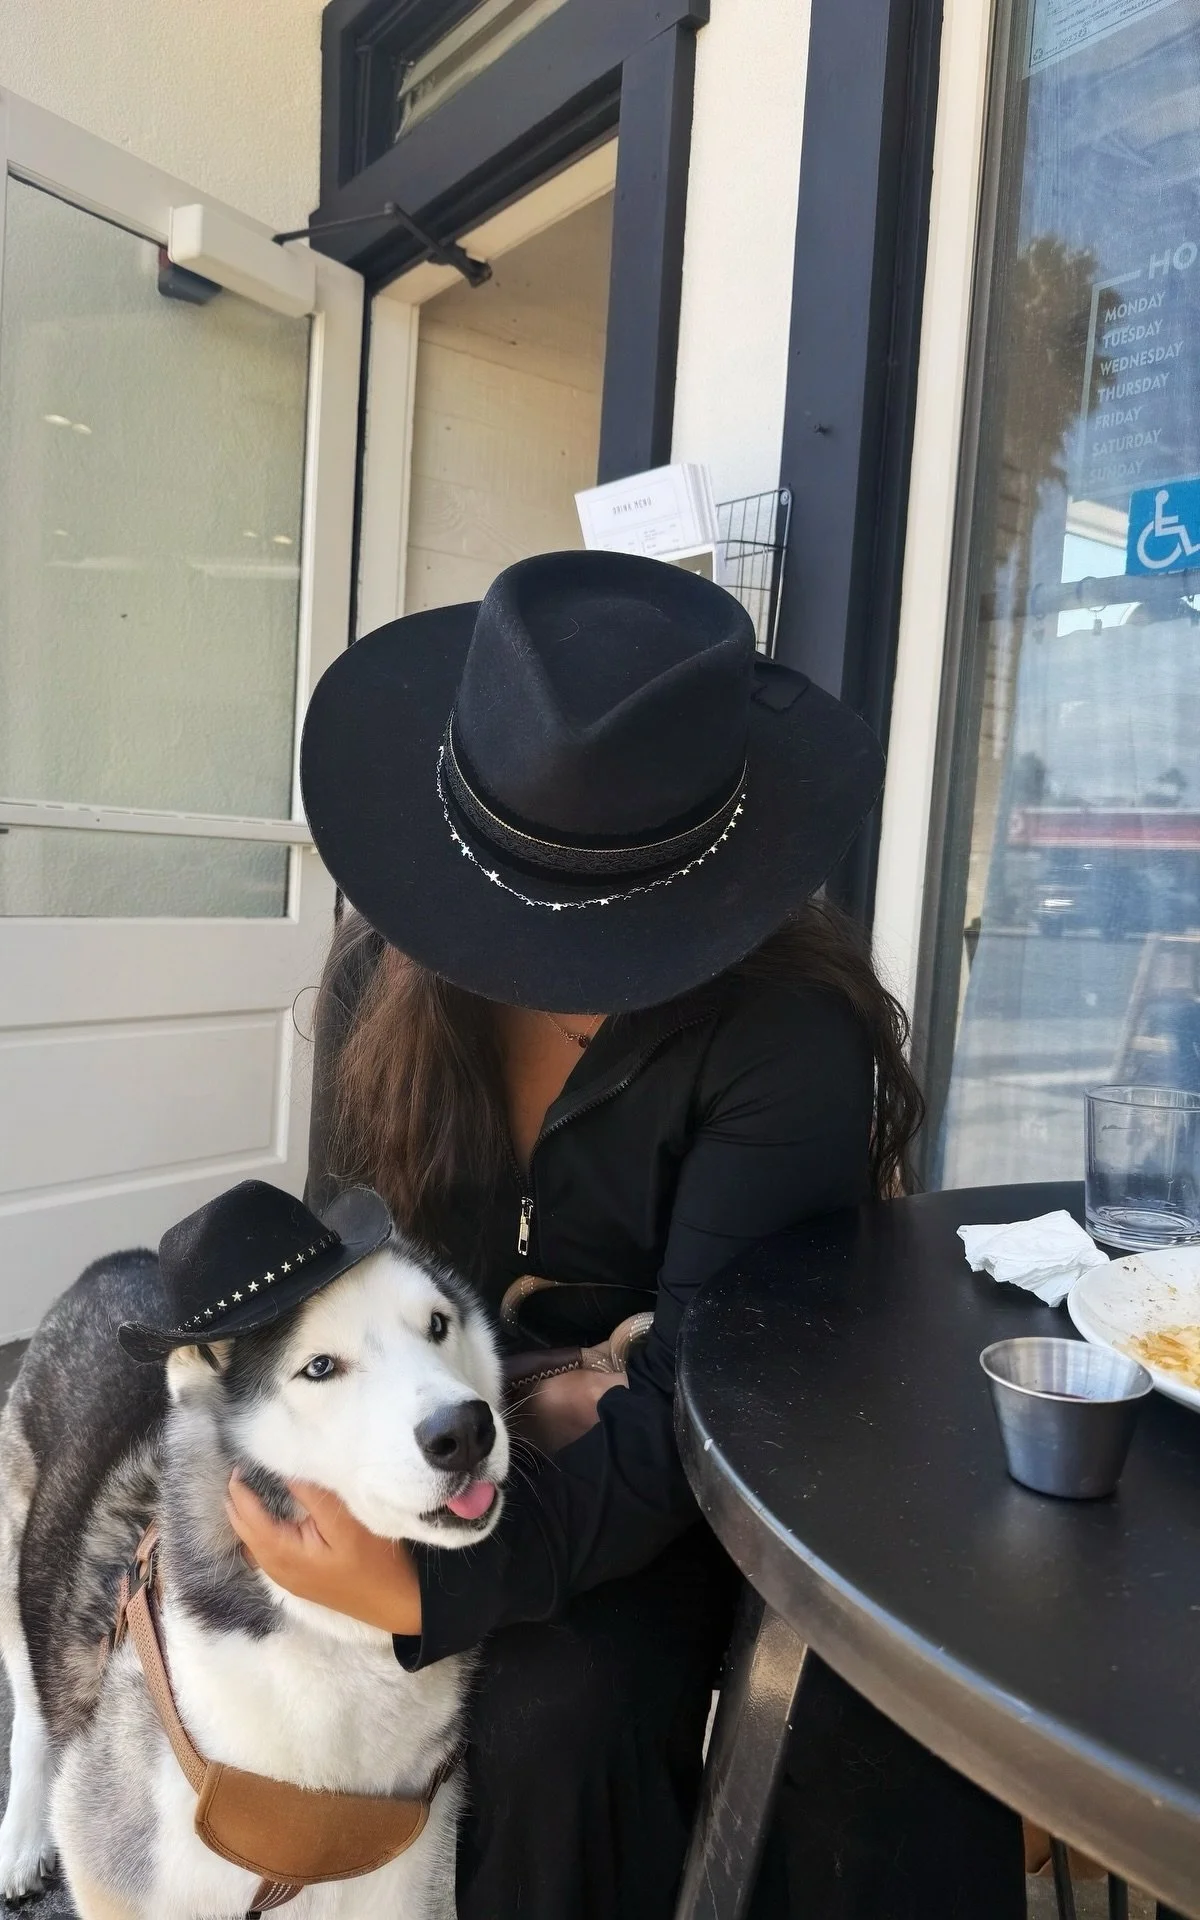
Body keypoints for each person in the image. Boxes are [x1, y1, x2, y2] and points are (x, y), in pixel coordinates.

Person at [225, 552, 1025, 1918]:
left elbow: (703, 1401)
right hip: (447, 1423)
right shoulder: (387, 968)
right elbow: (339, 1276)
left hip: (710, 1459)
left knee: (558, 1709)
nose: (542, 958)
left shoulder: (788, 1038)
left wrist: (435, 1593)